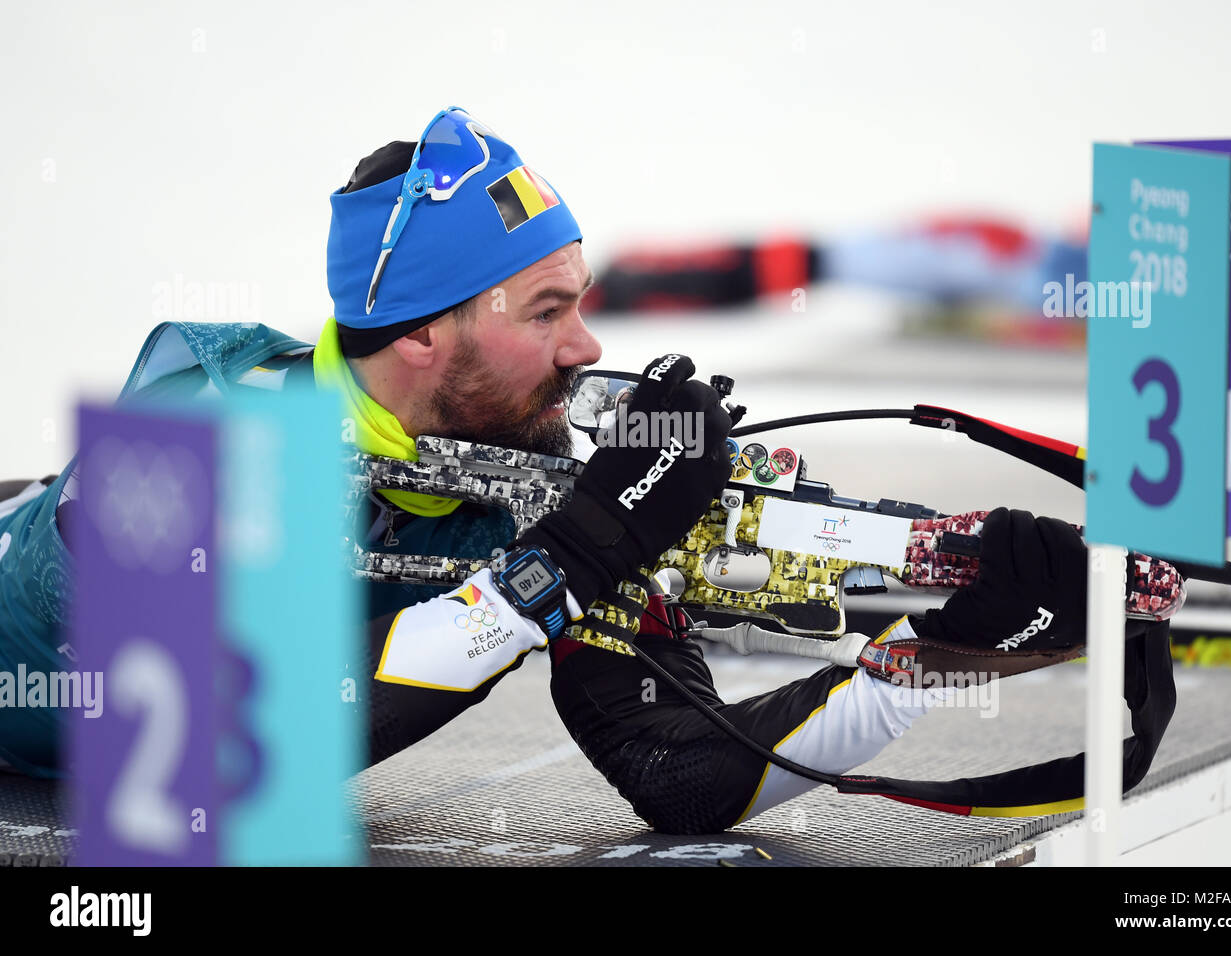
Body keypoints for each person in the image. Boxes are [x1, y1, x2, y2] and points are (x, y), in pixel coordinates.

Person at [0, 107, 1097, 833]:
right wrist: (570, 558)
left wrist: (930, 645)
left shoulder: (531, 478)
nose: (584, 347)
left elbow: (686, 772)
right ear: (422, 333)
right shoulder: (188, 429)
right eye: (547, 310)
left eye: (581, 303)